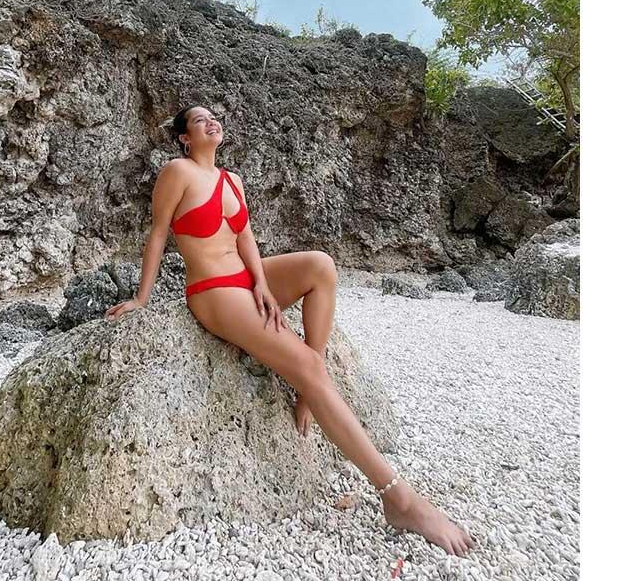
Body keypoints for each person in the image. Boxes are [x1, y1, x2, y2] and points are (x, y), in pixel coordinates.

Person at [105, 104, 475, 557]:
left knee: (320, 266)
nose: (211, 122)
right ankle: (399, 498)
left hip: (244, 279)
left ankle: (307, 386)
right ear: (184, 137)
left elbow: (245, 240)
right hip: (213, 291)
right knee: (304, 363)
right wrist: (142, 298)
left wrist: (261, 282)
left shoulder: (232, 181)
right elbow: (158, 234)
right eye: (199, 120)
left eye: (214, 117)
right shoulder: (176, 172)